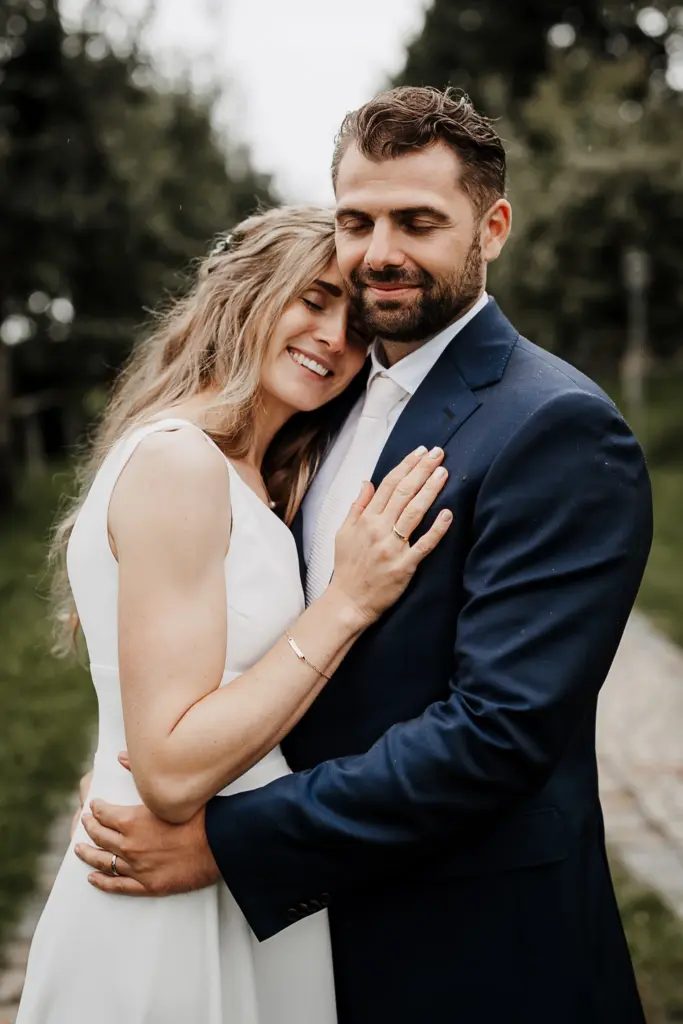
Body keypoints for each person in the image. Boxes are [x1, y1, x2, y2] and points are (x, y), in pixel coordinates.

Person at [76, 88, 652, 1024]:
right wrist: (121, 764)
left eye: (417, 221)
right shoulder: (319, 399)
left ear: (491, 227)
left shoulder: (557, 428)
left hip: (470, 940)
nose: (378, 252)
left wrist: (229, 843)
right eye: (356, 221)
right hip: (302, 931)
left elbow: (497, 733)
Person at [15, 204, 452, 1024]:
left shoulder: (259, 475)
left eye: (356, 325)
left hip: (243, 877)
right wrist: (346, 604)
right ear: (246, 294)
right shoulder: (180, 461)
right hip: (163, 897)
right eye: (312, 300)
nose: (333, 337)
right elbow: (171, 770)